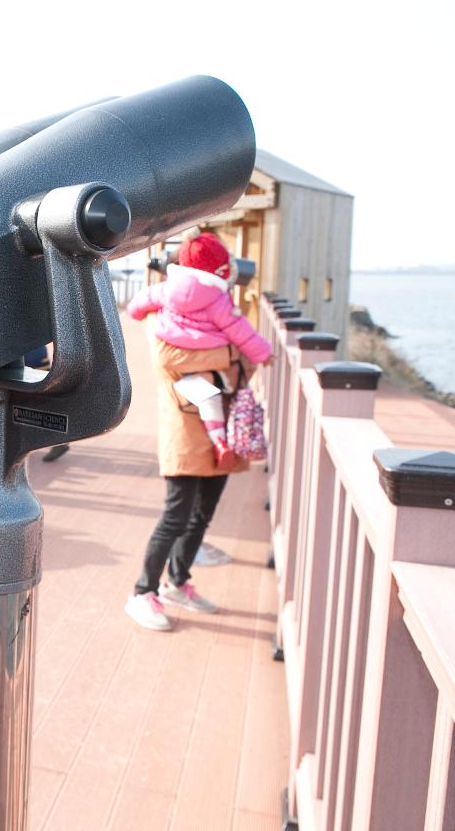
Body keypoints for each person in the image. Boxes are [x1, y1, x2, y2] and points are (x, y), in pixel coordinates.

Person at [121, 232, 272, 630]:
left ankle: (178, 581)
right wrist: (232, 354)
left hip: (211, 423)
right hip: (187, 429)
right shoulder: (198, 314)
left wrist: (230, 357)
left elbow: (137, 307)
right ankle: (142, 592)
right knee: (177, 514)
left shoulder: (165, 298)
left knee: (202, 513)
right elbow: (235, 355)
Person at [126, 233, 271, 469]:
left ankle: (219, 441)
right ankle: (222, 441)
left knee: (205, 396)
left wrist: (137, 313)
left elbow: (141, 301)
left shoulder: (166, 289)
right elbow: (240, 330)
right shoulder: (218, 298)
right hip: (212, 355)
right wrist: (263, 353)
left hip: (180, 357)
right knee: (215, 394)